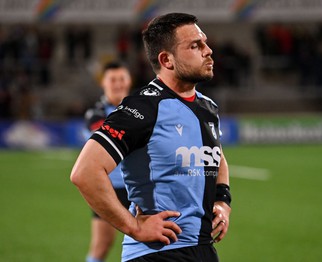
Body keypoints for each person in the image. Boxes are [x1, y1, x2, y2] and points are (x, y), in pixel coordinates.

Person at [70, 13, 231, 262]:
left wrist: (222, 201)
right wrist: (135, 227)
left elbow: (218, 158)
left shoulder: (208, 107)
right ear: (166, 60)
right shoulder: (143, 107)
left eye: (205, 43)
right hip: (157, 253)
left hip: (203, 249)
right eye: (195, 45)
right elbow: (85, 172)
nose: (208, 51)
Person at [84, 61, 132, 262]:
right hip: (108, 188)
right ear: (103, 83)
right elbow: (109, 134)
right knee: (101, 246)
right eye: (113, 79)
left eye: (121, 79)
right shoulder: (96, 113)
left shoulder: (139, 108)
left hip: (138, 187)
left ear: (128, 81)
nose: (118, 84)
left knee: (150, 245)